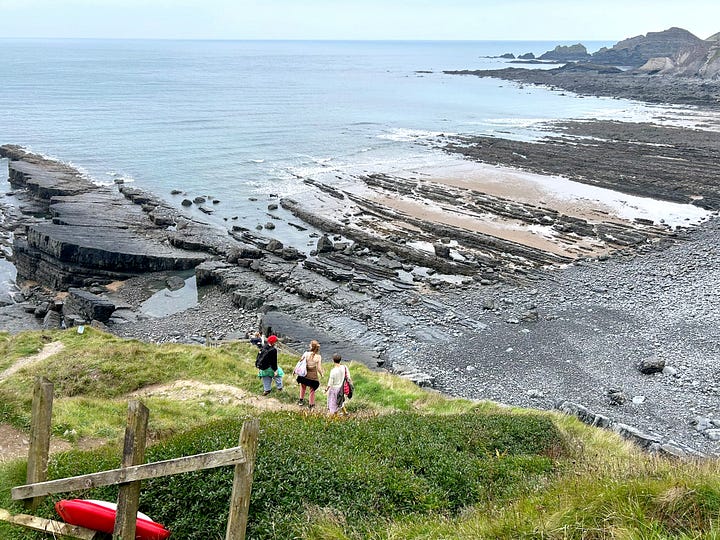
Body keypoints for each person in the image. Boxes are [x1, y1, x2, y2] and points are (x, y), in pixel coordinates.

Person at [296, 340, 323, 410]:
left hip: (304, 374)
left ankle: (301, 401)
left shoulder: (306, 354)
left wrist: (295, 370)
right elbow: (319, 368)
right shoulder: (318, 357)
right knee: (312, 390)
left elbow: (300, 362)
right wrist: (322, 374)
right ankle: (311, 405)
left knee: (303, 387)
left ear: (311, 346)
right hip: (313, 376)